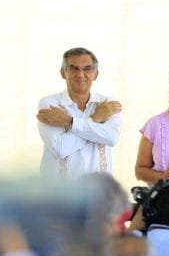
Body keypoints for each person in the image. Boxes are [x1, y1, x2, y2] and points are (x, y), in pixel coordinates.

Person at [37, 47, 121, 180]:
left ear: (95, 74)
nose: (80, 74)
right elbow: (61, 148)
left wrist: (69, 122)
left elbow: (111, 138)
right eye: (74, 68)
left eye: (87, 69)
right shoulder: (50, 104)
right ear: (63, 73)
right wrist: (95, 119)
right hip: (60, 190)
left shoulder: (107, 103)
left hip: (99, 190)